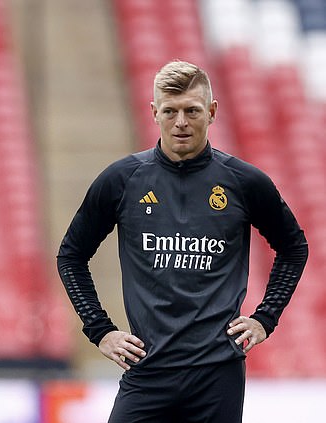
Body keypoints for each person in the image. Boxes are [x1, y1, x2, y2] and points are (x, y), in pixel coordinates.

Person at [57, 60, 308, 423]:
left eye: (192, 111)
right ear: (153, 112)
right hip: (147, 370)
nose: (180, 122)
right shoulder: (123, 179)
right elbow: (71, 255)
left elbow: (293, 248)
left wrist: (264, 319)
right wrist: (101, 331)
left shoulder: (244, 182)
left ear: (212, 111)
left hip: (217, 373)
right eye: (170, 111)